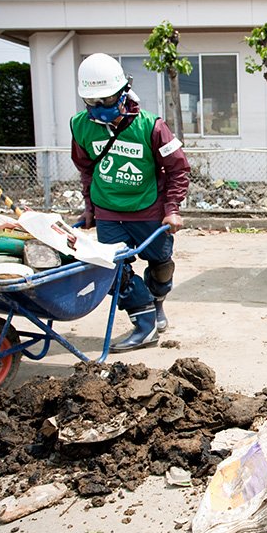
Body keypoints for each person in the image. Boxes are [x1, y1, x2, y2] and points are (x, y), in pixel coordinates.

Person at [71, 53, 189, 353]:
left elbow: (179, 168)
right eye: (93, 102)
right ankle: (145, 322)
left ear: (124, 92)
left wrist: (172, 209)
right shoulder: (81, 126)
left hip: (149, 210)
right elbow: (86, 169)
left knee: (161, 265)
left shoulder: (152, 126)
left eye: (107, 100)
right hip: (109, 212)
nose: (100, 109)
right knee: (113, 271)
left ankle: (156, 301)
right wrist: (90, 207)